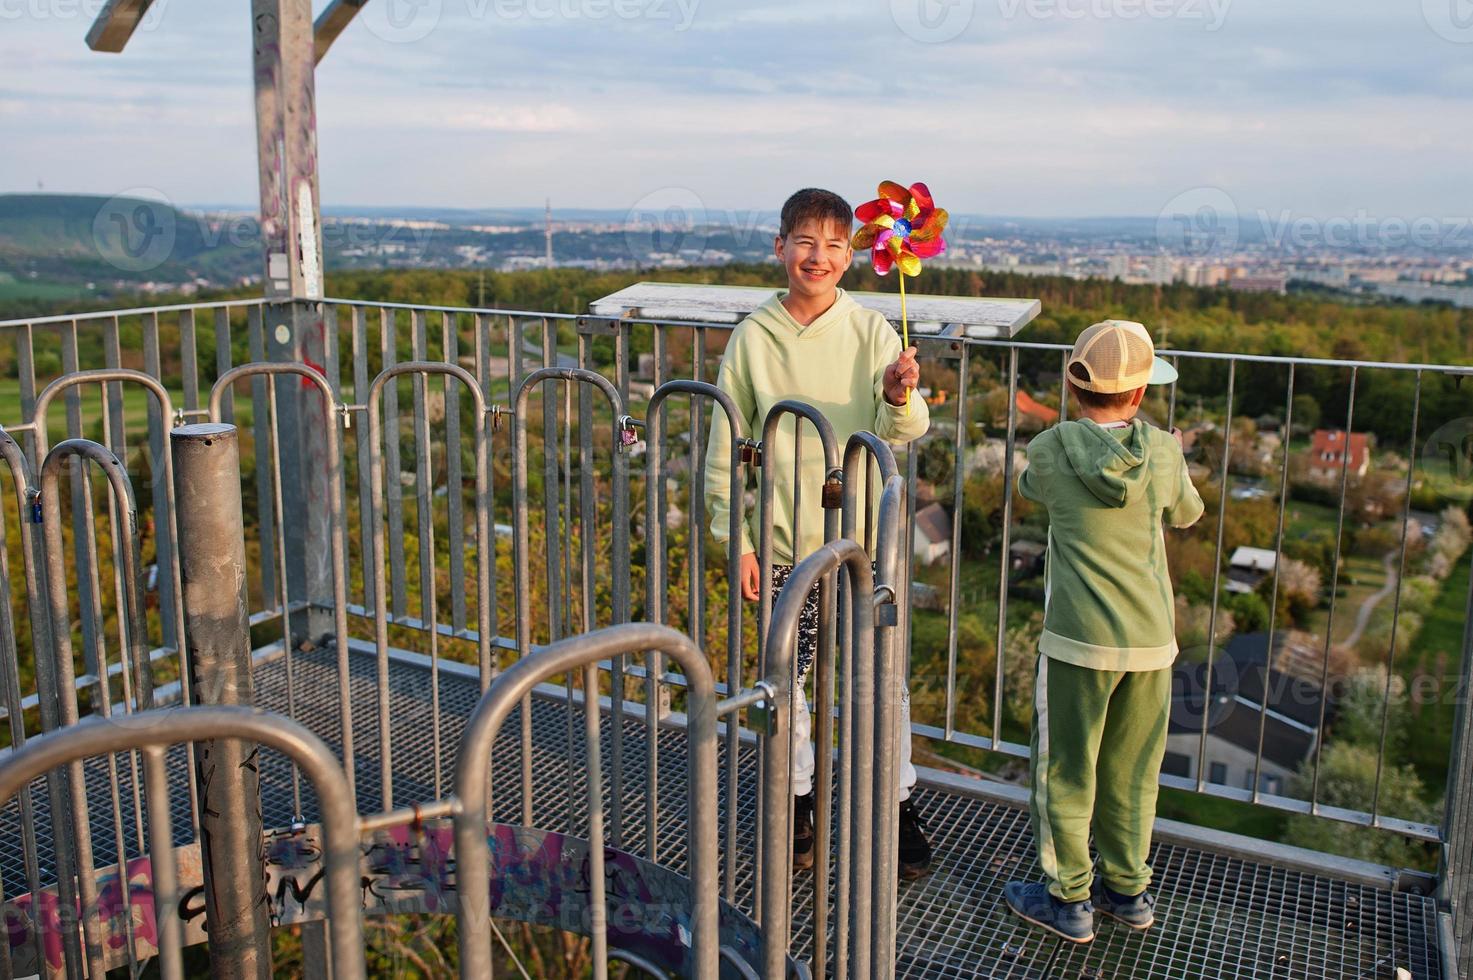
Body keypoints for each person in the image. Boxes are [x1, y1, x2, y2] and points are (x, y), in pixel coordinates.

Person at [704, 187, 934, 878]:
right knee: (787, 686)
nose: (819, 255)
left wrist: (898, 394)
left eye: (836, 244)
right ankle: (798, 799)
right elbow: (725, 446)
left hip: (860, 549)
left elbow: (905, 430)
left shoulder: (872, 333)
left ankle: (892, 806)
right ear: (779, 248)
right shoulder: (753, 336)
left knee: (878, 686)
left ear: (855, 256)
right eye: (805, 241)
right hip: (781, 546)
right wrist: (735, 537)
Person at [1003, 319, 1204, 943]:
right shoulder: (1164, 453)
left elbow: (1029, 486)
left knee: (1065, 769)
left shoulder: (1050, 446)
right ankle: (1129, 891)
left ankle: (1068, 899)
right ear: (1141, 394)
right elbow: (1189, 514)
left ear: (1073, 386)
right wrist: (1171, 452)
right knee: (1133, 770)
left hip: (1076, 642)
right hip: (1150, 643)